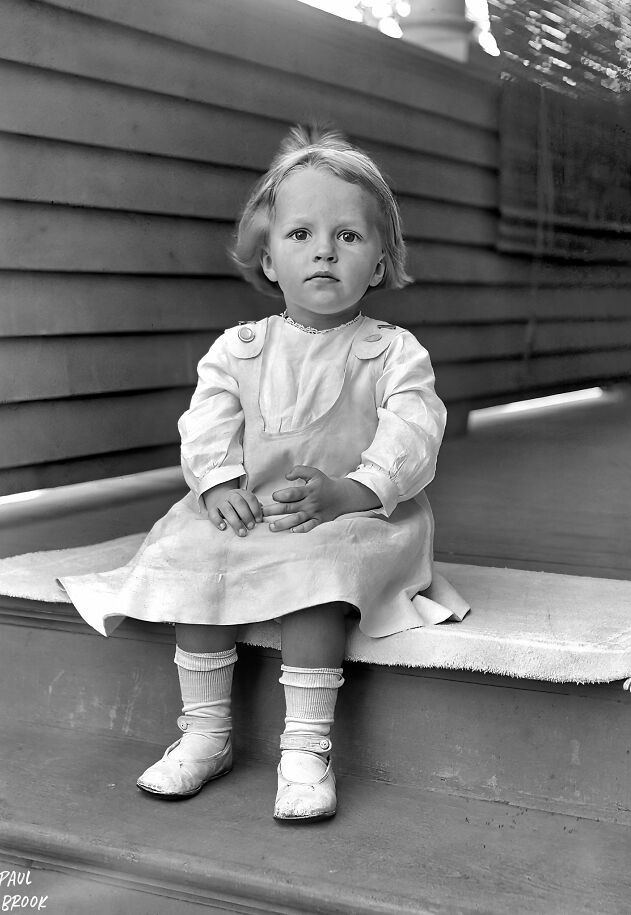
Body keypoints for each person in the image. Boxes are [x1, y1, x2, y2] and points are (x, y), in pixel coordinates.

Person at [59, 125, 469, 823]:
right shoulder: (240, 349)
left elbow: (415, 429)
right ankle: (206, 732)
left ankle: (306, 747)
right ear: (269, 259)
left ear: (377, 264)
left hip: (353, 512)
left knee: (318, 578)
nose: (323, 250)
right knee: (194, 557)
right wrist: (218, 484)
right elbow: (209, 421)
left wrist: (353, 489)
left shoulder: (390, 352)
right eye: (302, 233)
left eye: (348, 236)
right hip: (252, 509)